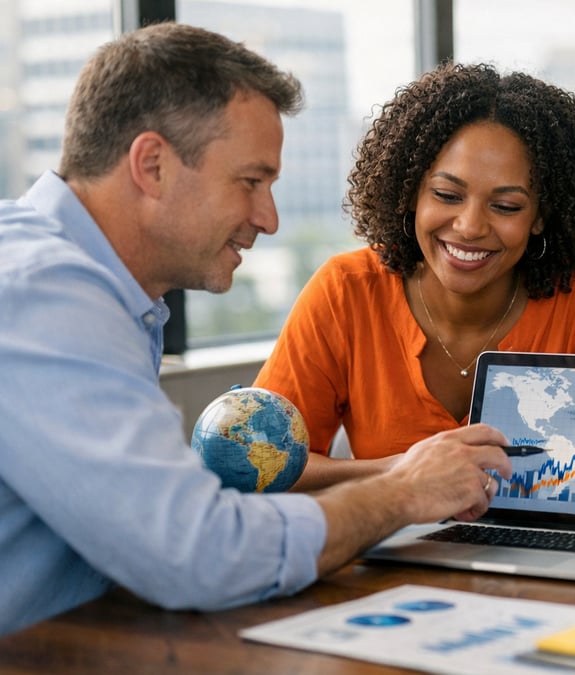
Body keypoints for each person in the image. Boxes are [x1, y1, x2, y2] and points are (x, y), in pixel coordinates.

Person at [0, 22, 513, 637]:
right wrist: (402, 492)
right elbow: (199, 552)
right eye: (250, 182)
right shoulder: (42, 296)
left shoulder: (87, 288)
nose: (267, 219)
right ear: (152, 165)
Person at [254, 61, 575, 490]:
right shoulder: (346, 291)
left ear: (540, 217)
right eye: (447, 195)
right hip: (393, 535)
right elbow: (260, 463)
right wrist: (406, 474)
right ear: (410, 192)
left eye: (506, 206)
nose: (469, 226)